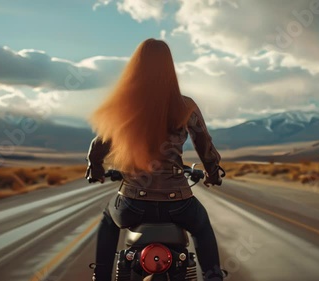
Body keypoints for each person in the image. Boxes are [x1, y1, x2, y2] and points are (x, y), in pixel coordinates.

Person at [86, 38, 224, 281]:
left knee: (108, 219)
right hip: (179, 203)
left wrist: (95, 168)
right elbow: (204, 144)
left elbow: (100, 144)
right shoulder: (185, 105)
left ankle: (101, 276)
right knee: (202, 227)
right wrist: (213, 173)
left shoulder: (126, 106)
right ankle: (214, 277)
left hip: (132, 204)